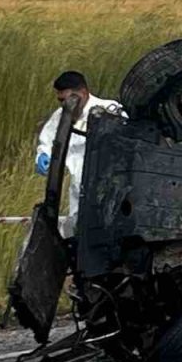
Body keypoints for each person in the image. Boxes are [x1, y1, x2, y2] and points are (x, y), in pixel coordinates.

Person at [34, 71, 121, 237]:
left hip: (108, 187)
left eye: (67, 99)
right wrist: (42, 156)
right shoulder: (60, 116)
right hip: (78, 189)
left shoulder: (110, 110)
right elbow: (47, 142)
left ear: (82, 93)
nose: (64, 104)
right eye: (60, 100)